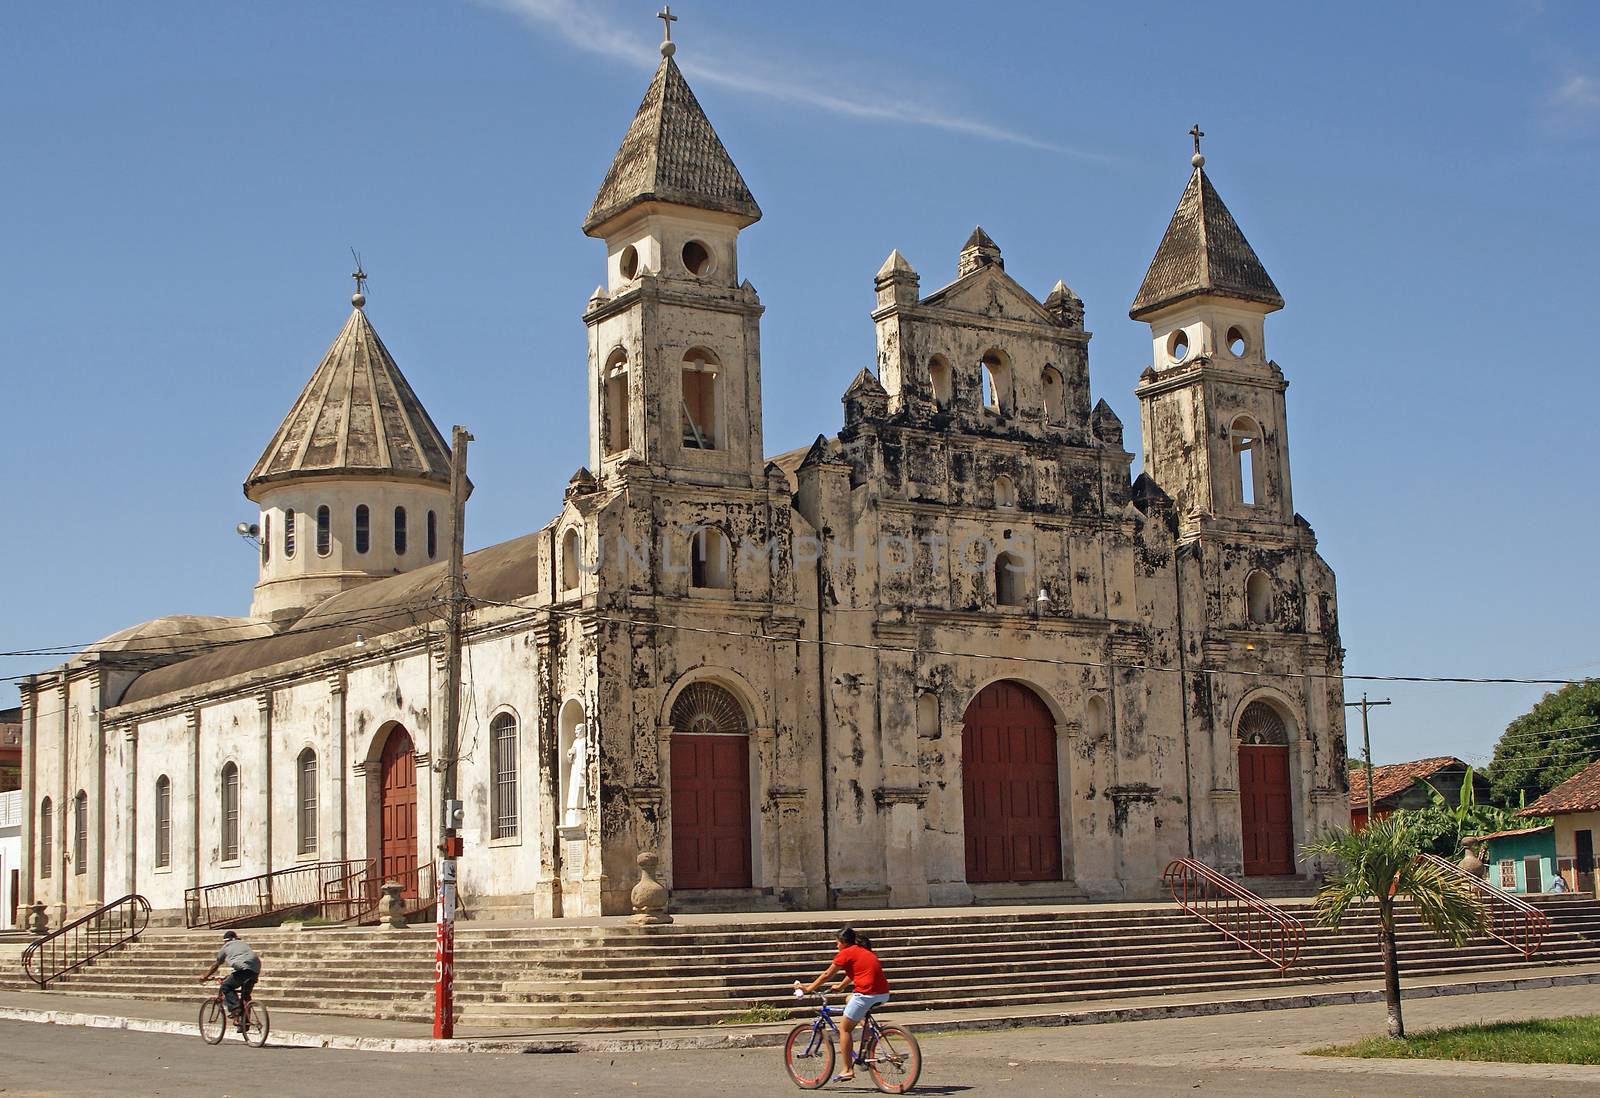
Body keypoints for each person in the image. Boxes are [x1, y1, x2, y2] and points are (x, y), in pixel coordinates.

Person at [795, 927, 890, 1084]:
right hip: (883, 993)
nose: (836, 946)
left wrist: (808, 989)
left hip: (866, 995)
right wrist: (840, 986)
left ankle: (847, 1069)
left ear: (844, 942)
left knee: (844, 1028)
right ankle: (868, 1030)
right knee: (848, 999)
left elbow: (827, 974)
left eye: (837, 943)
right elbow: (856, 972)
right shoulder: (863, 950)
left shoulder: (846, 953)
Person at [199, 930, 261, 1025]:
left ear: (225, 941)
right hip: (255, 970)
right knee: (245, 996)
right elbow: (243, 960)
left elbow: (216, 964)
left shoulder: (226, 947)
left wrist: (205, 976)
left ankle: (236, 1008)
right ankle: (244, 1022)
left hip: (243, 970)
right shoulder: (242, 944)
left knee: (225, 987)